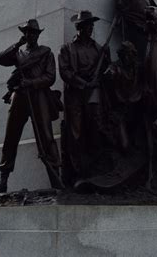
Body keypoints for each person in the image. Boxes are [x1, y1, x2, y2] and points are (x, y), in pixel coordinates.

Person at [0, 18, 60, 193]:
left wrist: (31, 82)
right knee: (11, 136)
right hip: (20, 97)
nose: (29, 35)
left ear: (38, 35)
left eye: (32, 32)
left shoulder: (46, 53)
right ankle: (3, 180)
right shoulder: (19, 53)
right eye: (26, 32)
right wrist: (17, 44)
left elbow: (50, 77)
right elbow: (1, 59)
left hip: (39, 96)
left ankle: (56, 178)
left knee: (46, 136)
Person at [58, 10, 110, 185]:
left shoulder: (99, 49)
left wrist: (106, 62)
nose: (91, 28)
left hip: (94, 93)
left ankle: (96, 169)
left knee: (96, 129)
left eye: (92, 25)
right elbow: (65, 71)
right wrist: (82, 83)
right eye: (88, 25)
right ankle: (77, 173)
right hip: (76, 95)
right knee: (76, 132)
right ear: (79, 27)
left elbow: (106, 72)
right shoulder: (67, 49)